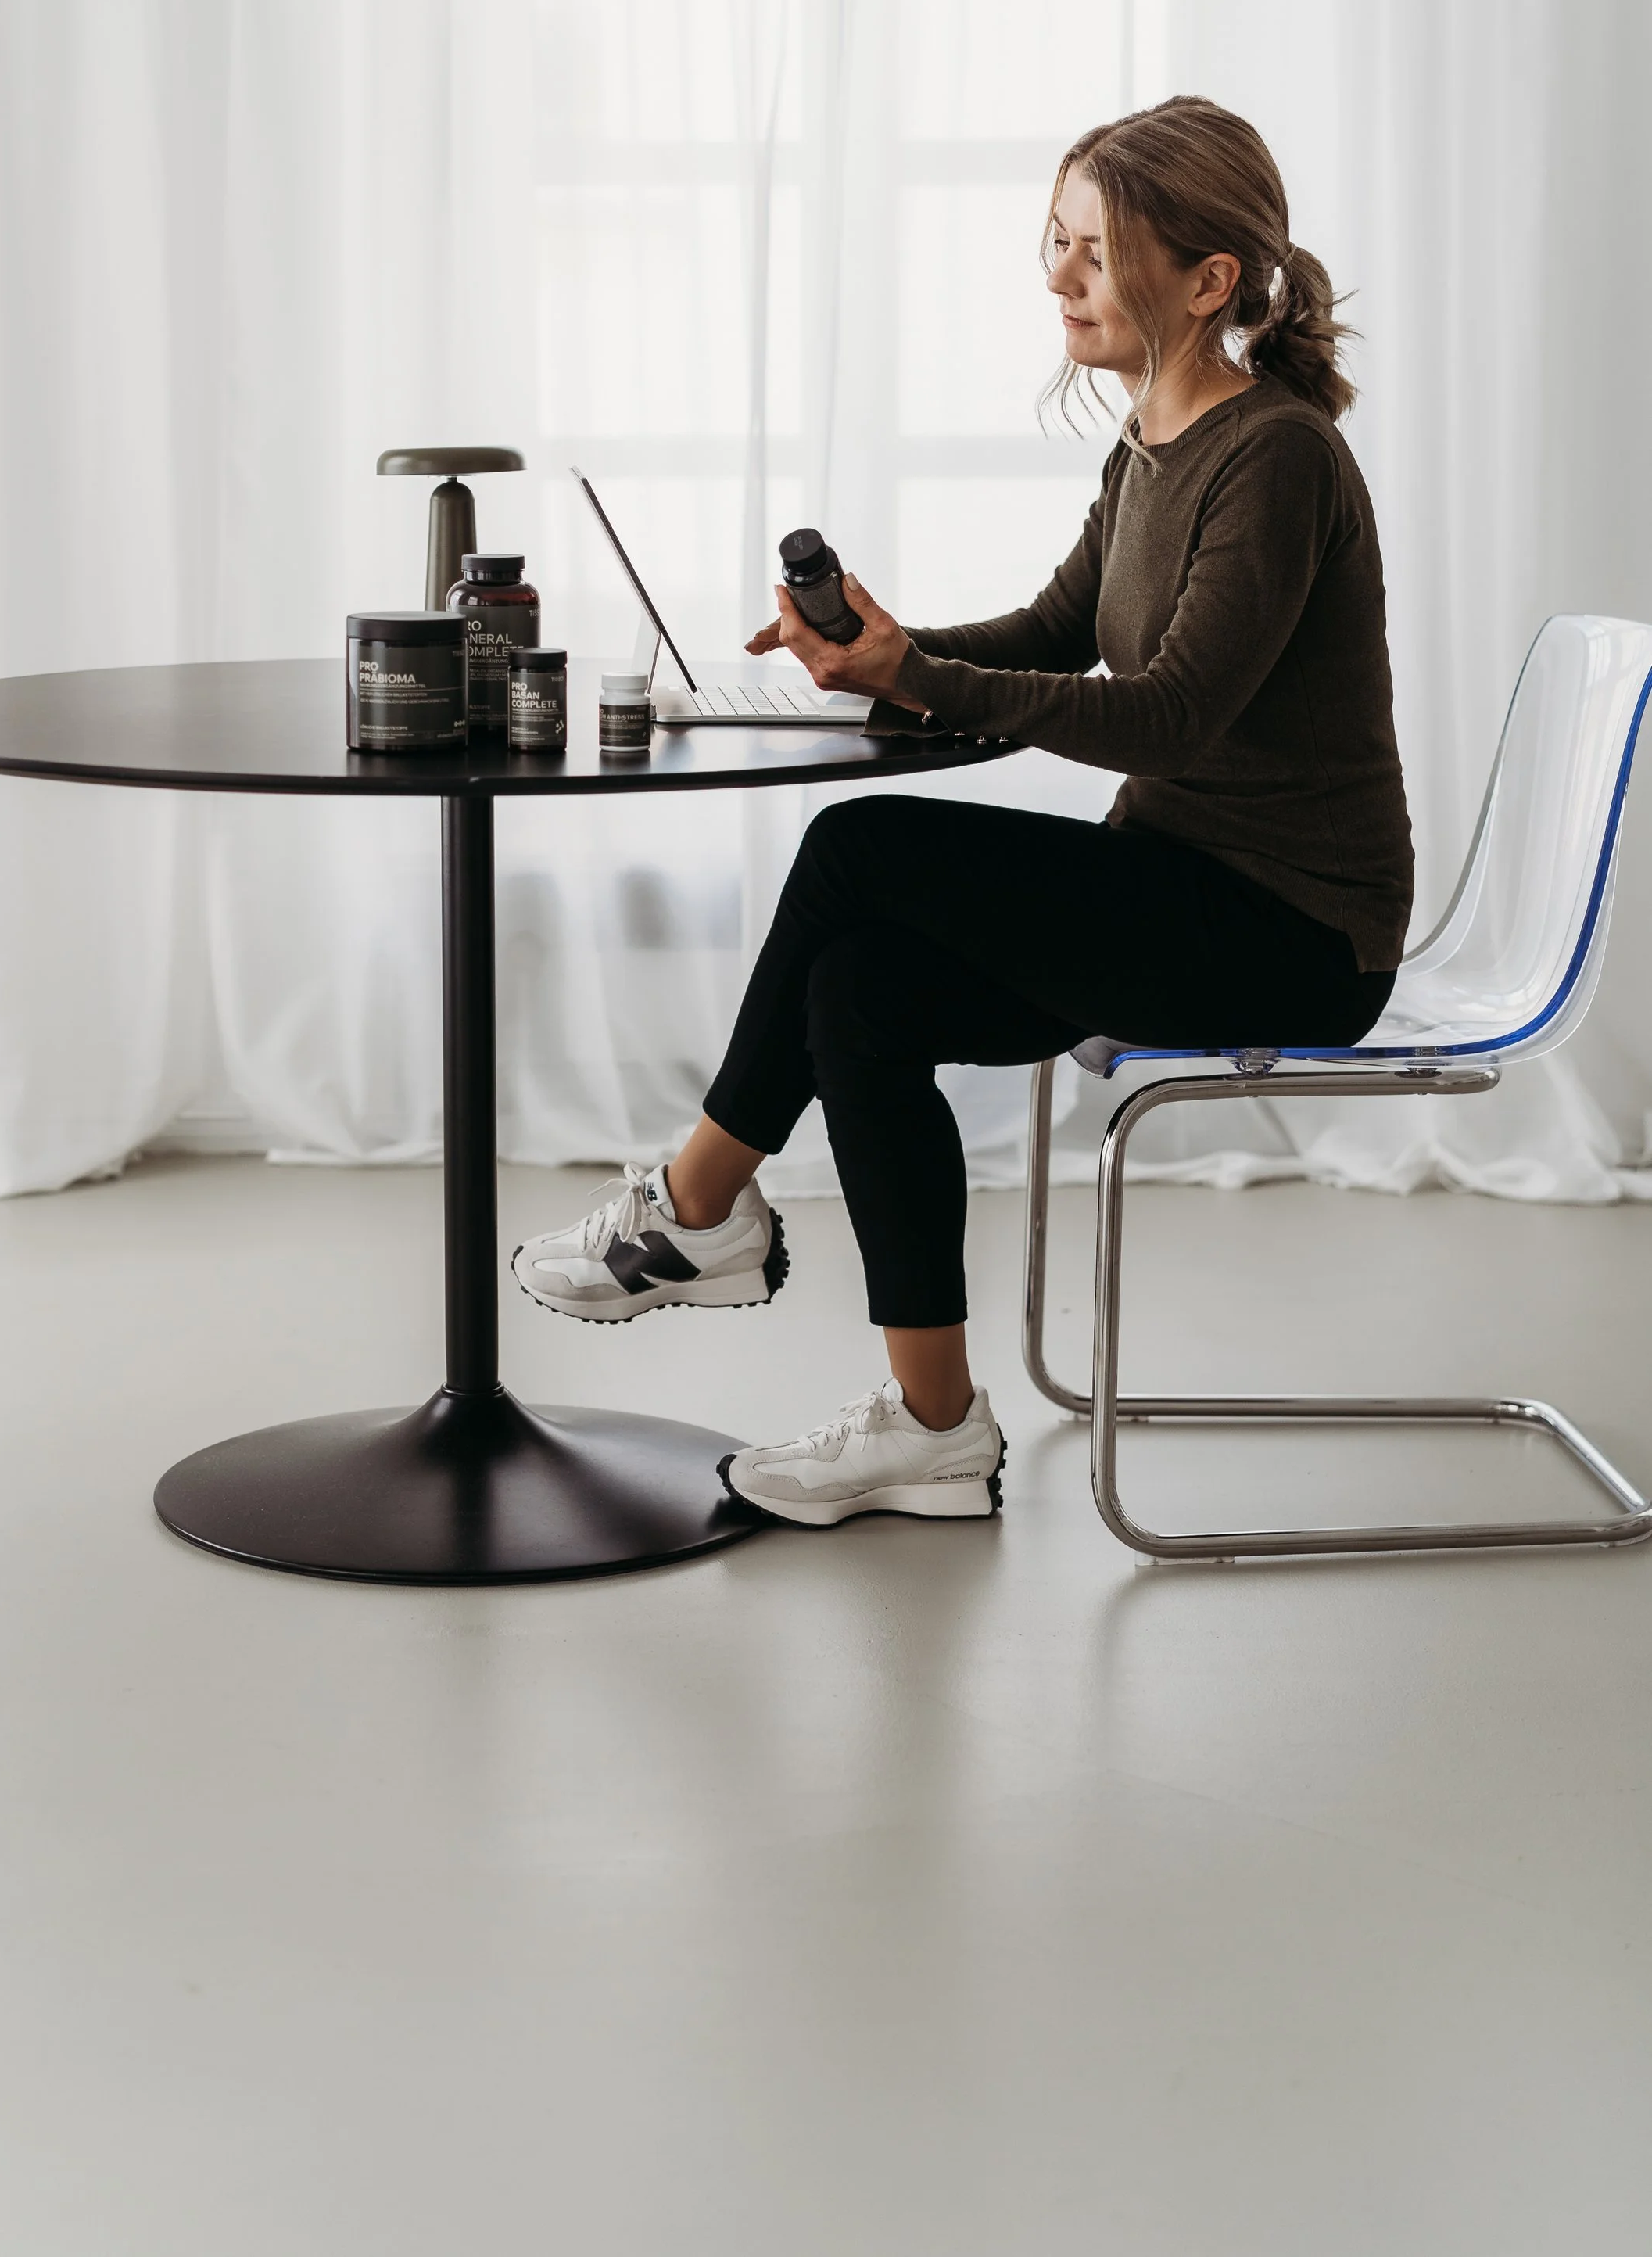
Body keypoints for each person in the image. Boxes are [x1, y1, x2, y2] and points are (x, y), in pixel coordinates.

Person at [512, 97, 1414, 1530]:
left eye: (1093, 253)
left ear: (1206, 281)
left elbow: (1173, 709)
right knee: (858, 989)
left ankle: (697, 1208)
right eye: (1053, 244)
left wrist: (922, 676)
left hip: (1298, 932)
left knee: (859, 848)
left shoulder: (1279, 457)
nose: (1057, 277)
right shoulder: (1148, 447)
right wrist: (882, 655)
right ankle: (935, 1428)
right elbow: (1061, 632)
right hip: (1175, 886)